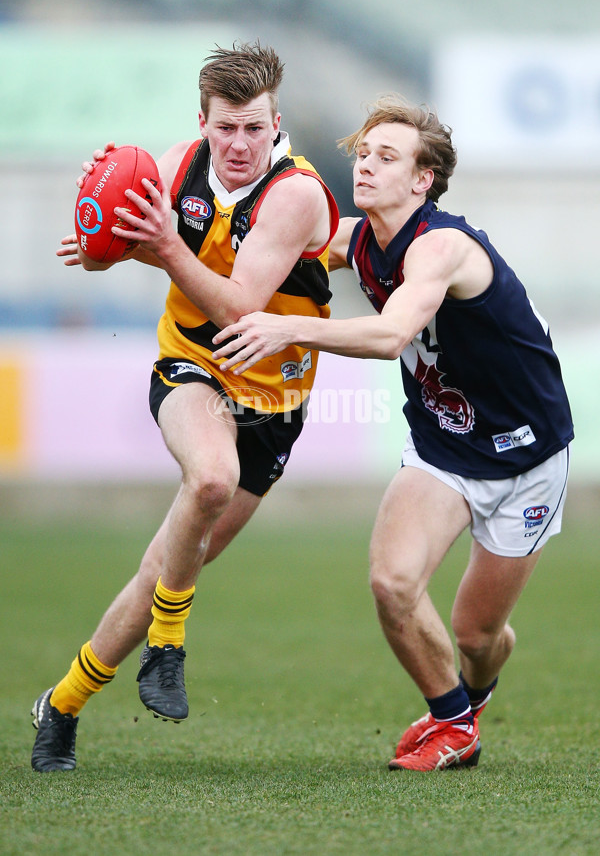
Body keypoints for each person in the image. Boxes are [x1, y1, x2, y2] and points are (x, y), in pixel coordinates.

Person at [212, 96, 574, 772]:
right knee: (392, 583)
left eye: (388, 157)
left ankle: (473, 688)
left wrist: (289, 327)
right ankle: (453, 723)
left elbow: (388, 335)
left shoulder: (441, 246)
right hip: (443, 447)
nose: (367, 167)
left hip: (527, 456)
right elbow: (253, 251)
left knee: (476, 633)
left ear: (422, 180)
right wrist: (153, 243)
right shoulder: (354, 242)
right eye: (364, 154)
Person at [30, 41, 339, 772]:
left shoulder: (295, 194)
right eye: (224, 128)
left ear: (276, 123)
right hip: (191, 368)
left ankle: (62, 704)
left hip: (275, 405)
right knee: (208, 479)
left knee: (161, 567)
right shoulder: (174, 164)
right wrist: (101, 208)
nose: (238, 145)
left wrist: (165, 247)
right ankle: (168, 648)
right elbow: (101, 254)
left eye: (253, 129)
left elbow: (240, 308)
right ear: (201, 121)